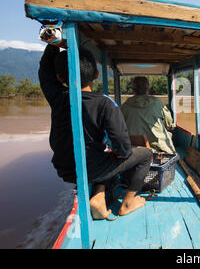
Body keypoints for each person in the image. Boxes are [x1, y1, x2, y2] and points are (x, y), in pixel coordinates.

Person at [39, 44, 152, 219]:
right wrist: (121, 154)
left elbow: (44, 72)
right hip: (91, 168)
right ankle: (128, 203)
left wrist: (53, 46)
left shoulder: (56, 95)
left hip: (65, 169)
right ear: (97, 75)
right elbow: (122, 144)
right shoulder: (104, 103)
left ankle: (99, 197)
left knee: (103, 156)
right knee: (144, 155)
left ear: (60, 78)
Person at [121, 76, 176, 154]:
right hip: (158, 150)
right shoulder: (158, 103)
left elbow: (119, 128)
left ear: (133, 90)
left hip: (134, 150)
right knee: (169, 134)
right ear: (148, 89)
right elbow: (169, 124)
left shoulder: (124, 107)